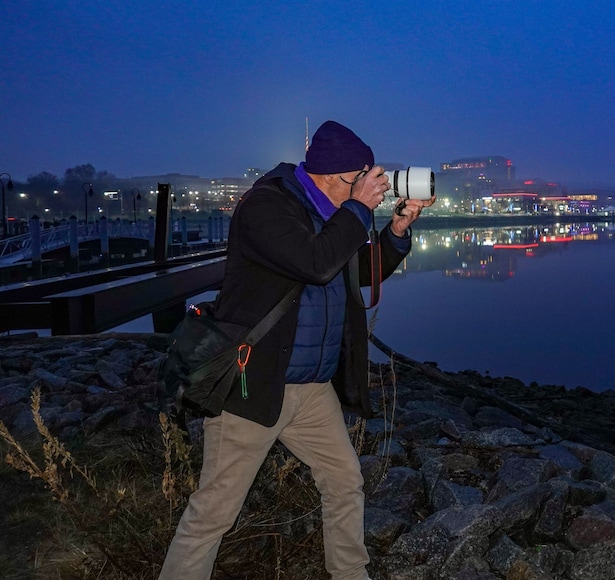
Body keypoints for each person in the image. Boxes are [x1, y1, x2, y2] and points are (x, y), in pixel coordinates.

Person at [159, 120, 434, 579]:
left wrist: (398, 230)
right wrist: (359, 210)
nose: (362, 190)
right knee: (214, 512)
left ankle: (350, 574)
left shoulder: (332, 212)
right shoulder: (267, 206)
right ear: (328, 176)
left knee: (345, 482)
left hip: (311, 387)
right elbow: (316, 263)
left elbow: (357, 271)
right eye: (355, 182)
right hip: (254, 383)